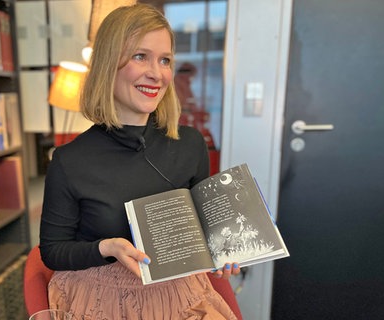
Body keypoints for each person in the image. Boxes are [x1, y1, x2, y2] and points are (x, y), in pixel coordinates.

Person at [40, 3, 240, 319]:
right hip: (101, 298)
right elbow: (53, 252)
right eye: (140, 56)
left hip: (180, 294)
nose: (156, 73)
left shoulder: (190, 143)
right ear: (108, 63)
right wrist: (106, 248)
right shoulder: (69, 160)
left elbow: (204, 227)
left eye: (165, 60)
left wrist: (225, 248)